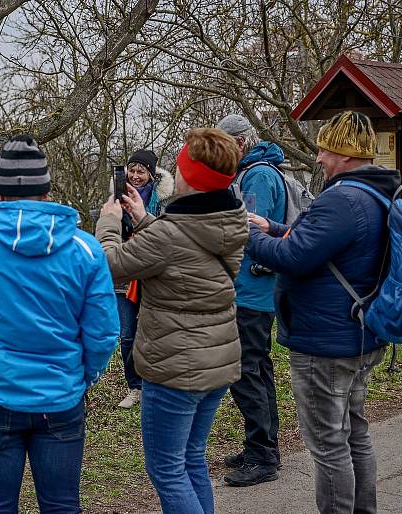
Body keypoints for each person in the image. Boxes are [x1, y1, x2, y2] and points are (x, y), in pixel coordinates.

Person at [0, 134, 118, 513]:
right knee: (62, 505)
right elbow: (103, 332)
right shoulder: (85, 249)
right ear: (47, 189)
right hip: (61, 396)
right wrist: (84, 377)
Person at [245, 111, 400, 514]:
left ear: (345, 155)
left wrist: (248, 234)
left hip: (325, 342)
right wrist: (273, 226)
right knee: (354, 435)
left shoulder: (342, 198)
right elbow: (324, 244)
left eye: (326, 149)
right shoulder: (374, 194)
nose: (318, 157)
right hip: (358, 332)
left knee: (329, 445)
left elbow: (296, 257)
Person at [97, 128, 247, 514]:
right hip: (215, 361)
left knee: (166, 469)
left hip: (175, 369)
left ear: (190, 176)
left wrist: (110, 222)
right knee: (192, 459)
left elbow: (110, 265)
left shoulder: (171, 232)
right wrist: (145, 219)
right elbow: (185, 251)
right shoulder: (229, 217)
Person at [215, 114, 286, 485]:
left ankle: (262, 455)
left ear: (240, 142)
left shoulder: (257, 174)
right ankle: (264, 445)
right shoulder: (259, 170)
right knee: (259, 369)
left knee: (245, 372)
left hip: (252, 292)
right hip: (255, 290)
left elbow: (248, 227)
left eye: (225, 144)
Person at [116, 149, 174, 409]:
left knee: (152, 331)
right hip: (125, 275)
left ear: (151, 174)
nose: (136, 176)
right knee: (127, 334)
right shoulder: (116, 197)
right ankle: (135, 386)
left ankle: (155, 382)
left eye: (141, 171)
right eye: (132, 170)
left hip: (153, 274)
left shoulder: (164, 201)